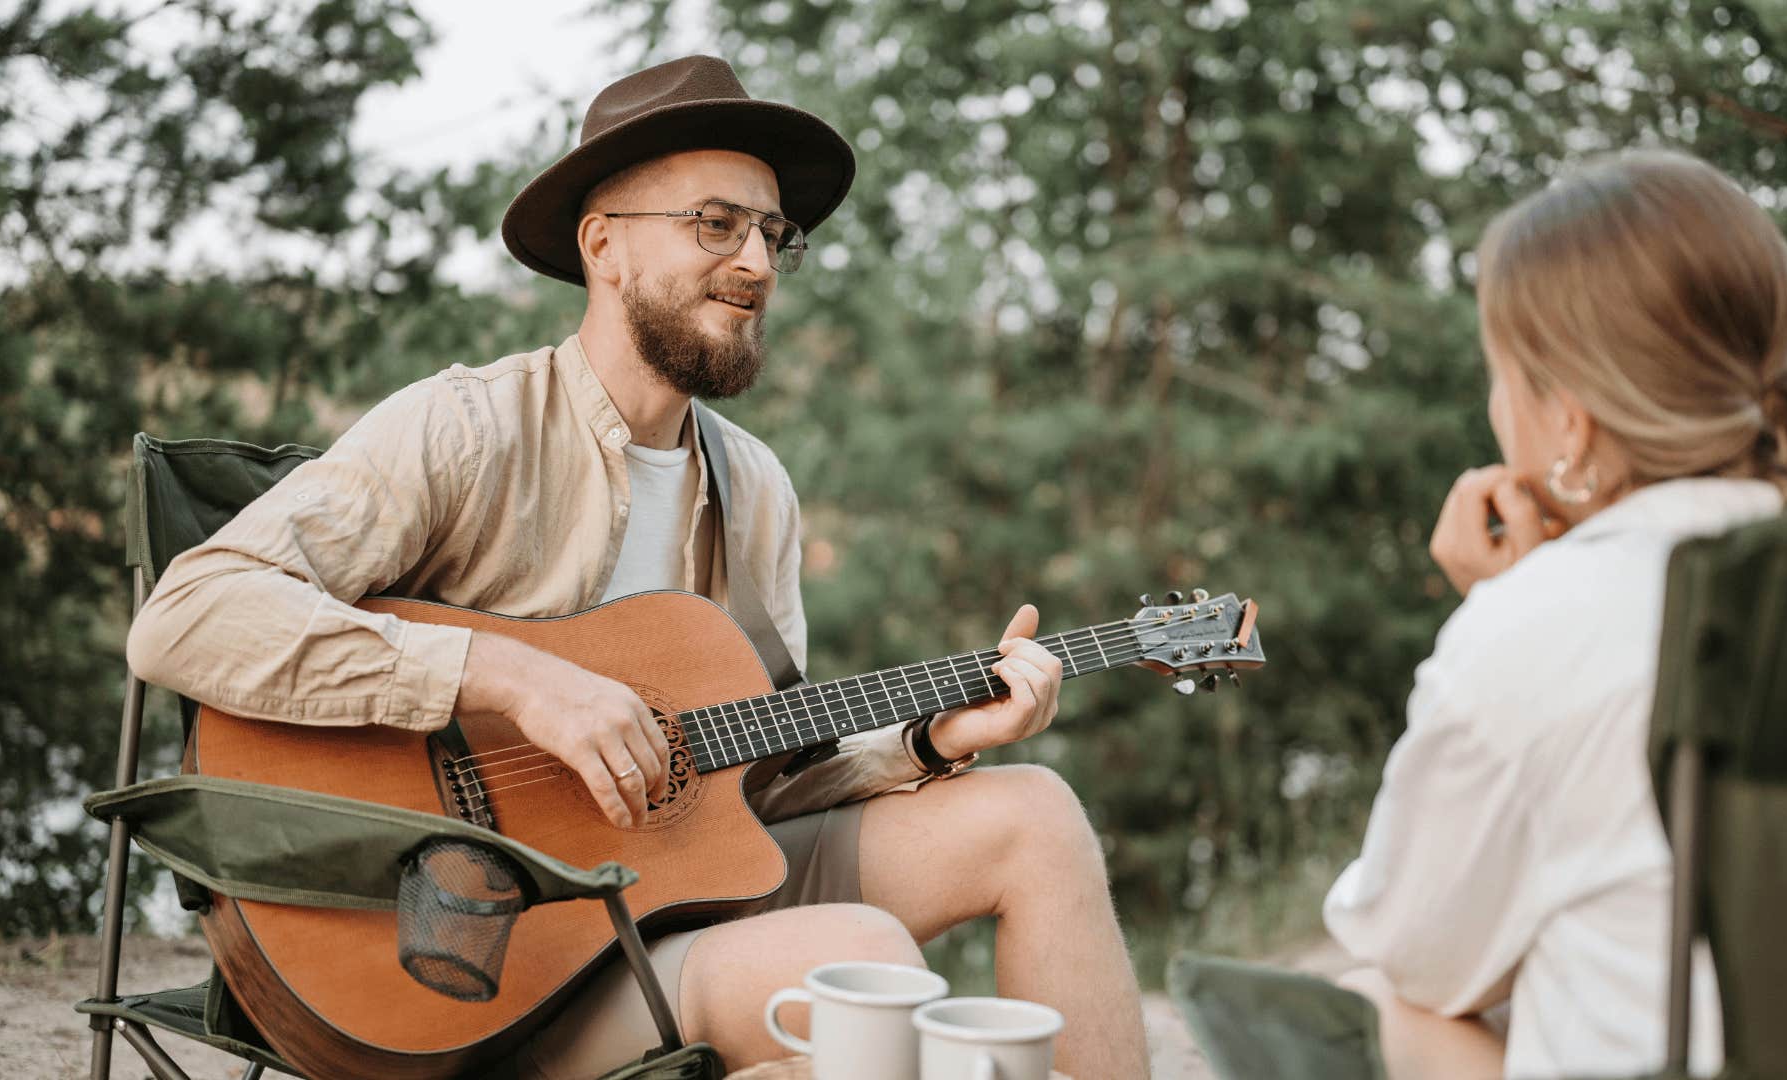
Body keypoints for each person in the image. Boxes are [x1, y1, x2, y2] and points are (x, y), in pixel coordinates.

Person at [126, 56, 1149, 1079]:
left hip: (672, 906)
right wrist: (512, 678)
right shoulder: (468, 428)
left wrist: (929, 739)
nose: (756, 260)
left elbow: (755, 784)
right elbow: (187, 617)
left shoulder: (754, 490)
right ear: (604, 246)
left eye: (773, 234)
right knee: (859, 963)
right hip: (477, 955)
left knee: (1036, 817)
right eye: (716, 223)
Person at [1321, 148, 1787, 1080]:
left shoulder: (1533, 632)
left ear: (1572, 424)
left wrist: (1508, 613)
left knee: (1366, 1003)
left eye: (1502, 373)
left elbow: (1414, 948)